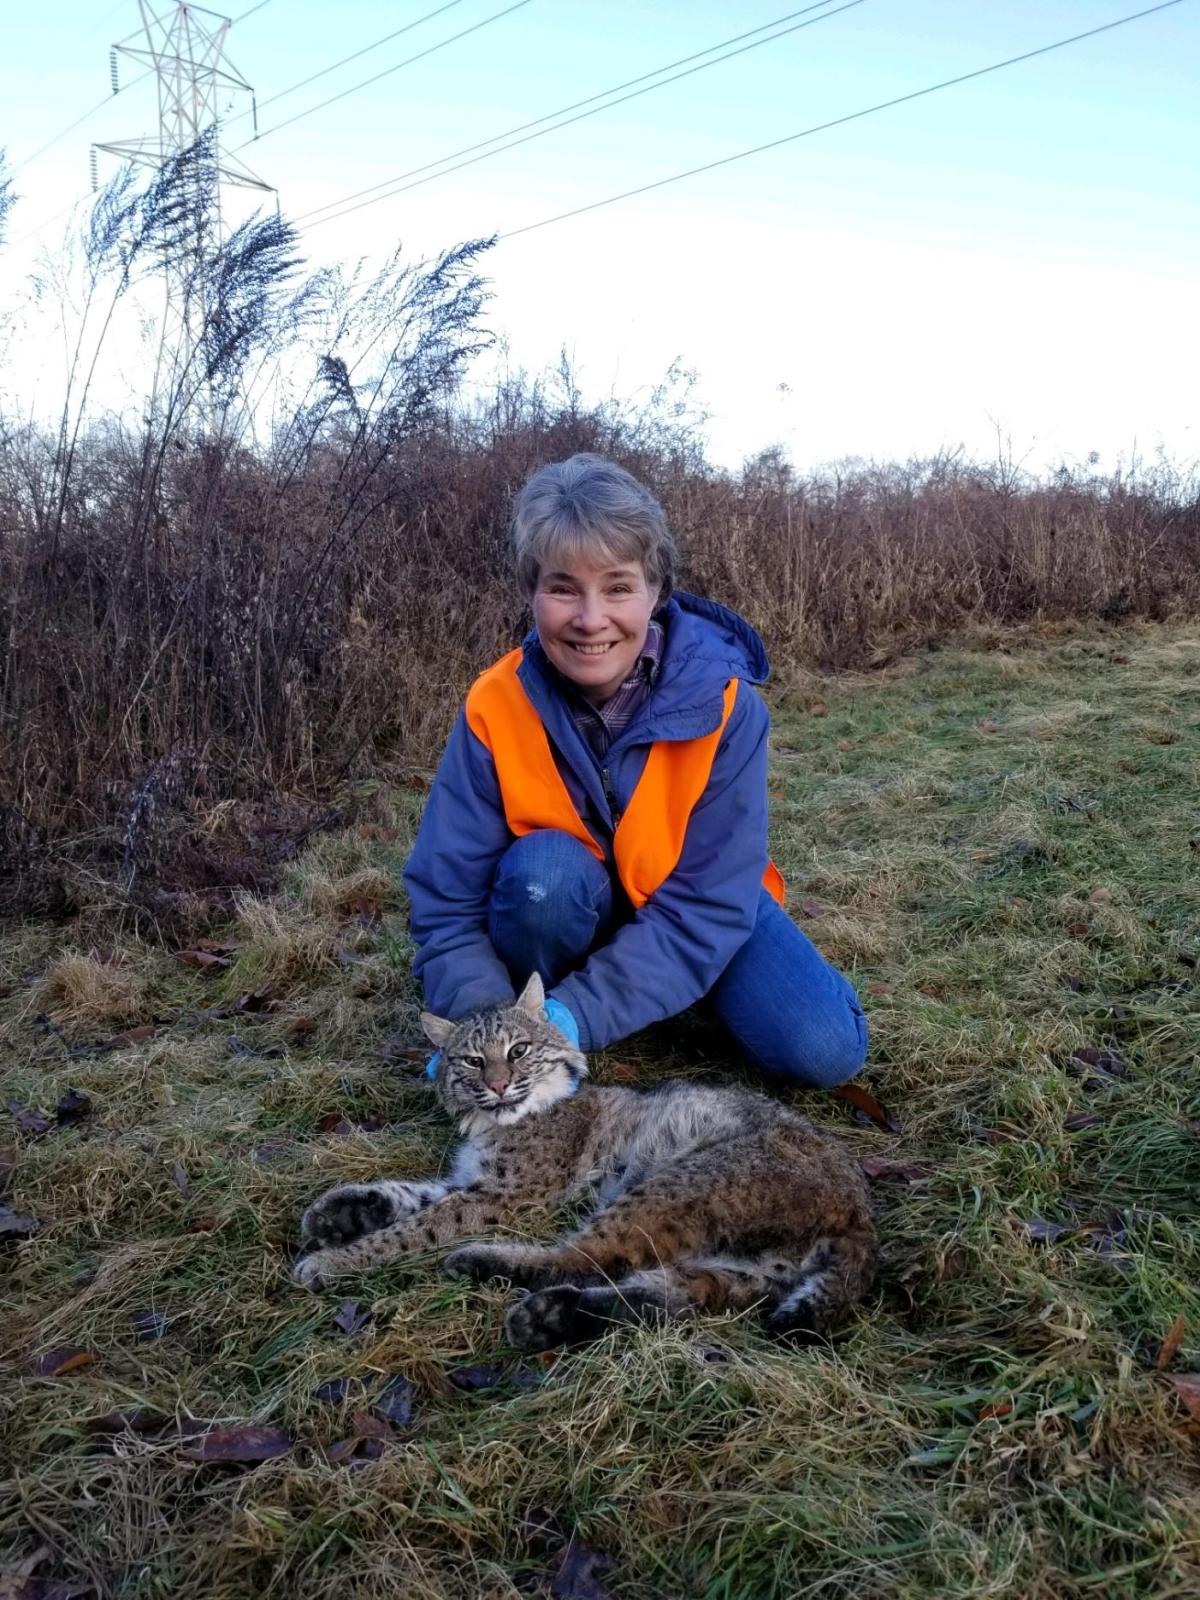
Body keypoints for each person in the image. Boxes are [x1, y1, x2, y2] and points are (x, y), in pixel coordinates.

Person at [403, 453, 867, 1087]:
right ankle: (574, 1007)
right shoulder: (494, 703)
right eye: (563, 587)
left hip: (699, 908)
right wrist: (481, 1030)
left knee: (826, 1051)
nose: (591, 620)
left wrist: (571, 1019)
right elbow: (446, 900)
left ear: (656, 591)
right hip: (566, 909)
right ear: (530, 593)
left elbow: (709, 903)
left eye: (618, 587)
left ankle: (638, 994)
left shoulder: (725, 704)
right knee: (544, 878)